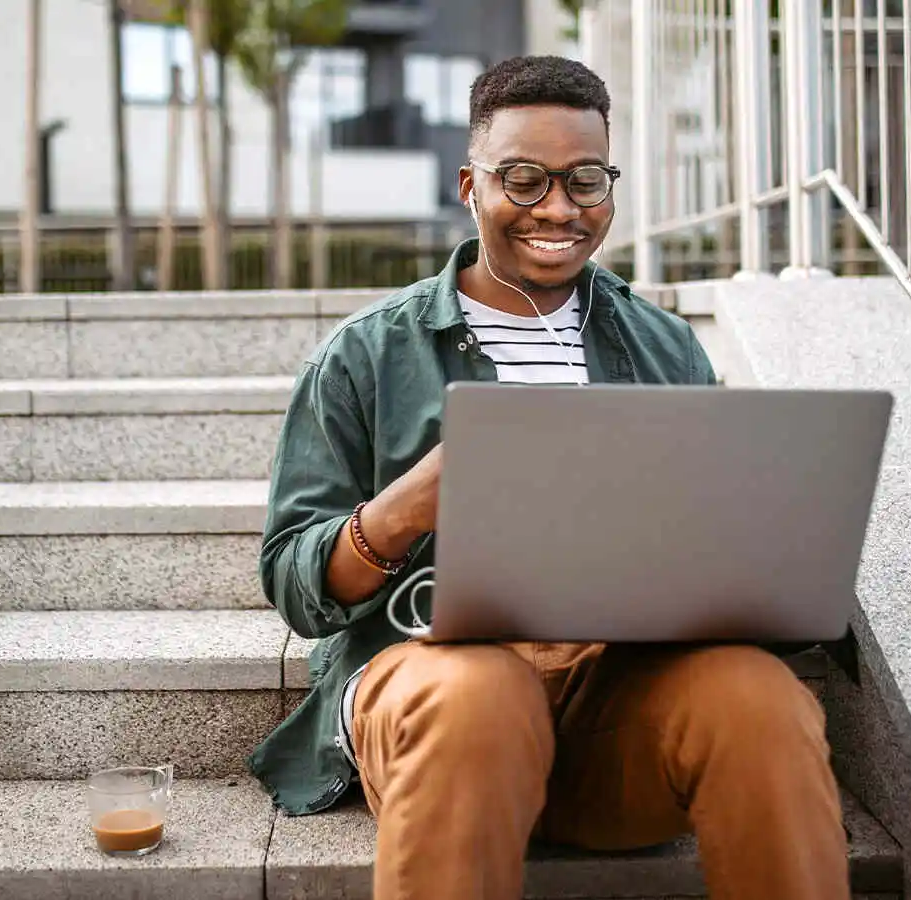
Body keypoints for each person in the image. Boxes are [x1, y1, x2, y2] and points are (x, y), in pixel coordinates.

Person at [248, 55, 849, 900]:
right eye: (524, 180)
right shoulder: (366, 354)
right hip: (435, 684)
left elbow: (724, 542)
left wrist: (769, 563)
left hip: (615, 702)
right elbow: (294, 583)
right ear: (471, 185)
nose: (558, 209)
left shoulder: (664, 345)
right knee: (480, 691)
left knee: (759, 696)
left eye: (585, 180)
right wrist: (409, 504)